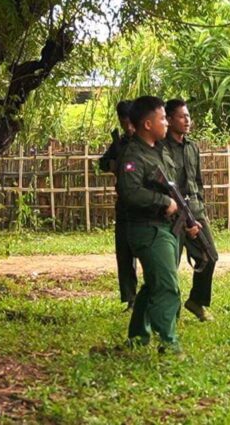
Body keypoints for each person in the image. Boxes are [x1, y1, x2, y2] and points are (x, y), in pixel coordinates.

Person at [119, 95, 188, 354]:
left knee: (152, 286)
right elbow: (130, 192)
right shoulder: (134, 155)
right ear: (148, 124)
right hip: (148, 229)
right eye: (162, 119)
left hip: (164, 227)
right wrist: (163, 201)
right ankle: (169, 344)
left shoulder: (157, 151)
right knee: (167, 287)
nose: (167, 123)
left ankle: (138, 337)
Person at [164, 98, 219, 322]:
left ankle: (196, 301)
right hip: (172, 214)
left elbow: (197, 181)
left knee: (210, 256)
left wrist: (200, 208)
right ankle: (170, 311)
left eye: (188, 116)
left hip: (195, 209)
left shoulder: (192, 147)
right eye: (182, 116)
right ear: (169, 120)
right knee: (170, 264)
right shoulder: (162, 148)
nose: (187, 120)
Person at [98, 100, 137, 308]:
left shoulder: (146, 142)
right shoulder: (119, 143)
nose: (127, 127)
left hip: (144, 206)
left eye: (130, 122)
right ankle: (131, 299)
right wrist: (112, 164)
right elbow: (103, 162)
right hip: (124, 205)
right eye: (124, 123)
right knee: (124, 254)